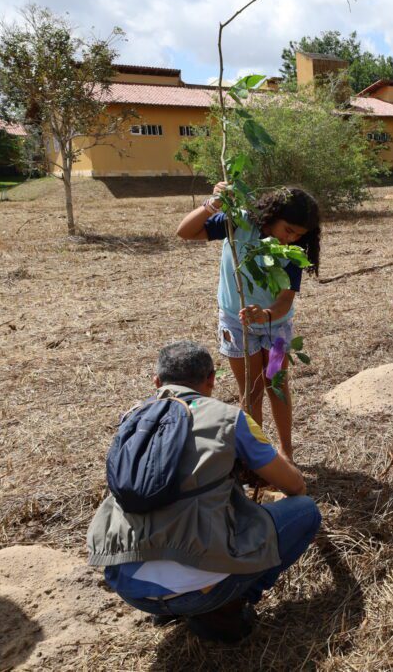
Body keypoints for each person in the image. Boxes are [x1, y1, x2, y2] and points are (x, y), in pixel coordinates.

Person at [87, 341, 321, 643]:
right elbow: (294, 485)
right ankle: (226, 605)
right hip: (201, 589)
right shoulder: (228, 418)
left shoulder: (132, 420)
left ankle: (169, 607)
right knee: (305, 511)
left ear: (157, 382)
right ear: (211, 379)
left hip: (127, 584)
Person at [177, 185, 321, 462]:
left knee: (276, 383)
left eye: (298, 235)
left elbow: (285, 300)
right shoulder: (239, 224)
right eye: (288, 229)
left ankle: (286, 452)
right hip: (236, 325)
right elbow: (185, 232)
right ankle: (257, 454)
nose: (290, 238)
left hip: (276, 329)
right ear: (272, 215)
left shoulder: (293, 250)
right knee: (250, 391)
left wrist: (265, 315)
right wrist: (214, 203)